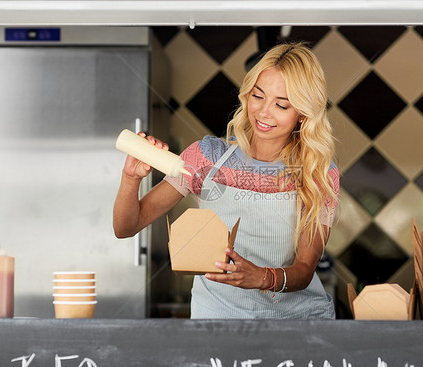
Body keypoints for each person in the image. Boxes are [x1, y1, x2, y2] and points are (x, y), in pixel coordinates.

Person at [113, 42, 340, 319]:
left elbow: (305, 269)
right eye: (258, 96)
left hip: (296, 323)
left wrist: (261, 277)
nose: (264, 112)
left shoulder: (318, 172)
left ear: (303, 114)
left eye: (282, 104)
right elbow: (126, 227)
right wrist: (130, 178)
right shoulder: (206, 157)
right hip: (216, 321)